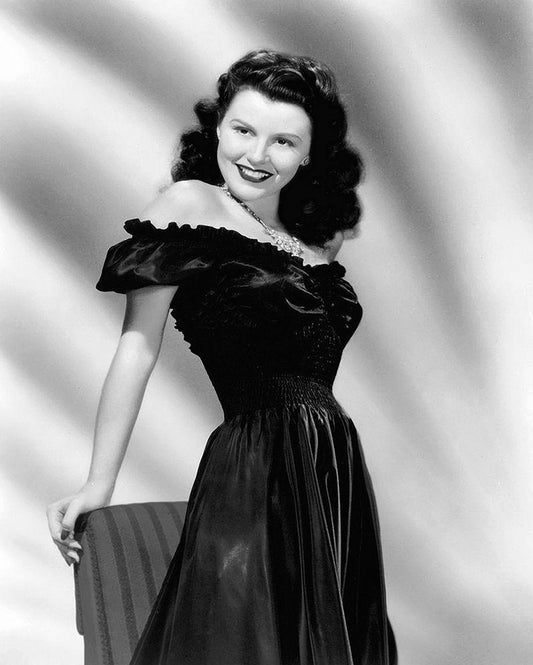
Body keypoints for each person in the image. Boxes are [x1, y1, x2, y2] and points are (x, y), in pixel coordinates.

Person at [47, 49, 398, 665]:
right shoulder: (188, 204)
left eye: (283, 141)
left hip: (335, 468)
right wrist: (99, 482)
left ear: (309, 154)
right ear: (217, 129)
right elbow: (137, 349)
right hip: (255, 460)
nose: (256, 155)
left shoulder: (318, 240)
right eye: (242, 130)